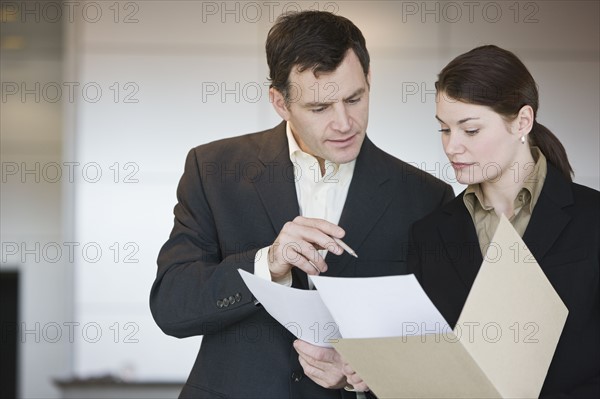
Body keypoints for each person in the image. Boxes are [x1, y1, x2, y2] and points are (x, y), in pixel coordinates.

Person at [149, 10, 454, 399]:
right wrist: (267, 263)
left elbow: (438, 347)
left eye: (355, 98)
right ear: (280, 102)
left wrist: (371, 371)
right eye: (320, 108)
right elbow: (173, 306)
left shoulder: (426, 197)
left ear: (369, 79)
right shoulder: (213, 170)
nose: (345, 123)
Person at [344, 45, 600, 397]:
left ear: (522, 121)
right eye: (444, 130)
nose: (451, 147)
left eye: (470, 130)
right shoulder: (430, 233)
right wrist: (376, 372)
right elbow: (425, 363)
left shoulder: (593, 219)